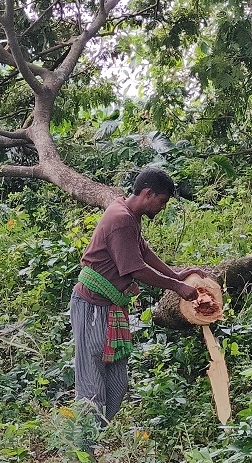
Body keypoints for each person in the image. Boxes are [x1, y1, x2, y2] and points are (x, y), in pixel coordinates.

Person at [70, 168, 205, 436]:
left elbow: (143, 251)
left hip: (110, 310)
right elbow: (134, 269)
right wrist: (177, 287)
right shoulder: (121, 219)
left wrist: (175, 274)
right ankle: (82, 454)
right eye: (162, 201)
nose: (163, 208)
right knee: (91, 389)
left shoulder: (129, 214)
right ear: (148, 193)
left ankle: (91, 441)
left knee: (117, 387)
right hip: (92, 308)